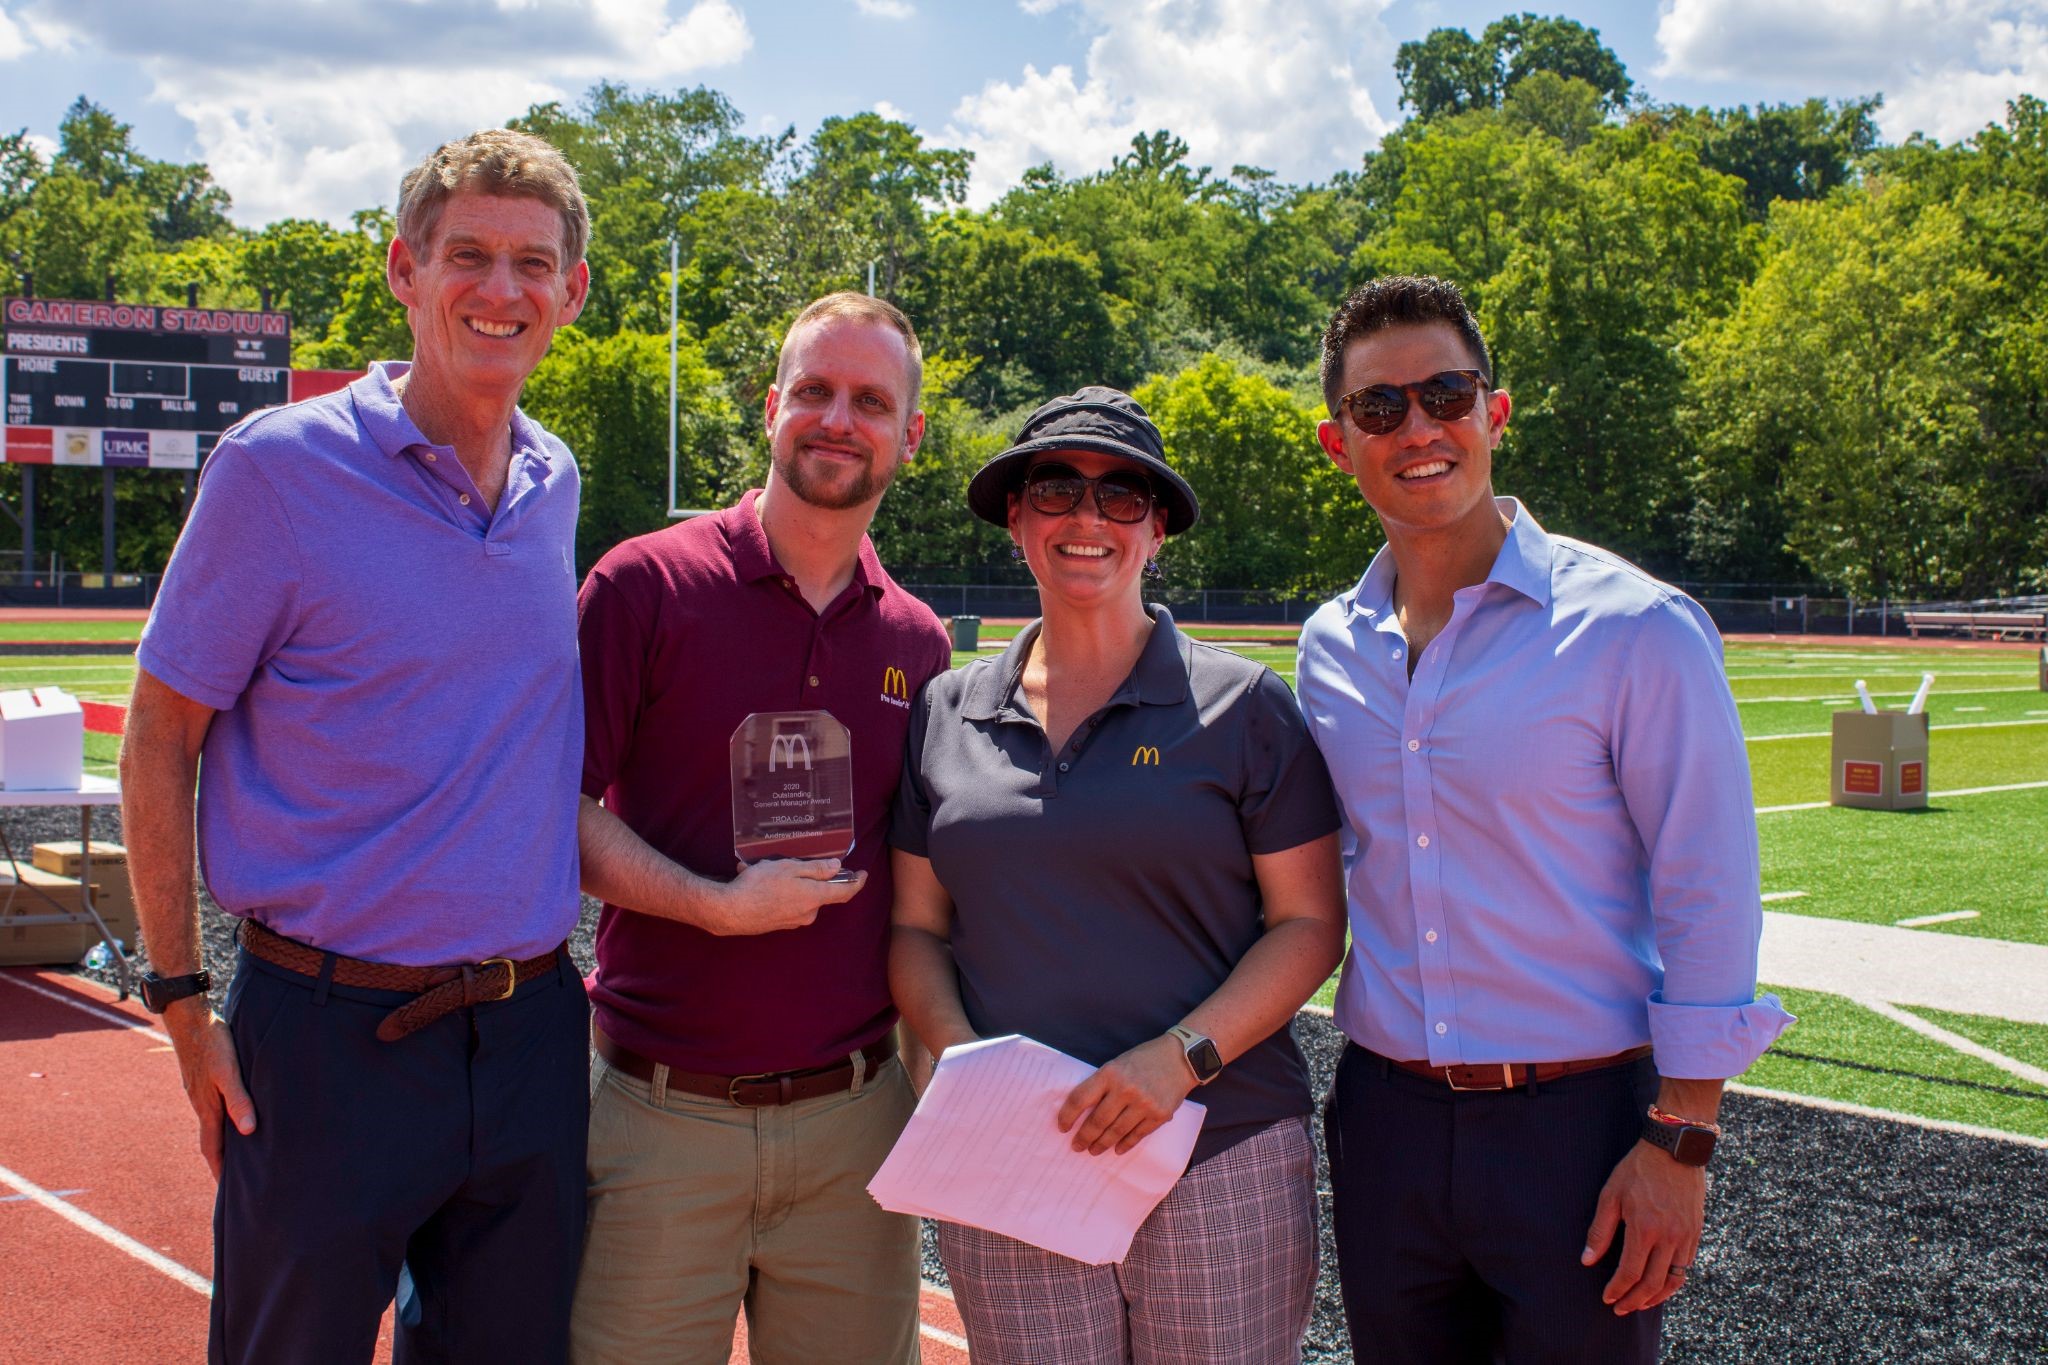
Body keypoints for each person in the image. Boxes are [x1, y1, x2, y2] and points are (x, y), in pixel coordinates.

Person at [122, 128, 594, 1362]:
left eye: (532, 263)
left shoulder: (553, 480)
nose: (501, 290)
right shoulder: (277, 470)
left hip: (527, 1033)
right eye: (468, 255)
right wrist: (179, 1000)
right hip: (328, 1038)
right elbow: (159, 734)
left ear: (570, 291)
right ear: (404, 269)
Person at [1296, 275, 1794, 1363]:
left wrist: (1681, 1139)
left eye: (1445, 394)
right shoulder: (1327, 648)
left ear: (1494, 412)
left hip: (1580, 1126)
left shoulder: (1635, 628)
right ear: (1340, 444)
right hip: (1383, 1122)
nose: (1419, 429)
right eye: (1380, 407)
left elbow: (1708, 887)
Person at [890, 387, 1347, 1365]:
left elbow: (1309, 924)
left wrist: (1177, 1059)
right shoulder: (943, 711)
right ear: (1017, 517)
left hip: (1215, 1144)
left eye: (1121, 496)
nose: (1087, 517)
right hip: (1014, 1154)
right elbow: (916, 928)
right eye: (1056, 489)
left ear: (1157, 530)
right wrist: (968, 1065)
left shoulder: (1244, 707)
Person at [570, 292, 951, 1363]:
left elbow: (925, 887)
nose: (839, 419)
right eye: (815, 391)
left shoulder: (917, 642)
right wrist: (711, 906)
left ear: (910, 435)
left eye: (870, 400)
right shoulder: (644, 585)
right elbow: (554, 813)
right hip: (659, 1117)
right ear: (771, 405)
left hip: (853, 1123)